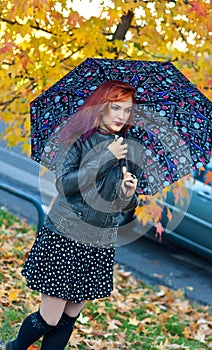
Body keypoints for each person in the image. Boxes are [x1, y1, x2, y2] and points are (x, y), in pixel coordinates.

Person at [6, 80, 141, 350]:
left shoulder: (125, 147)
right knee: (50, 318)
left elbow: (121, 205)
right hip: (66, 236)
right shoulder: (78, 139)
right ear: (101, 106)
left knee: (69, 318)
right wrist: (105, 156)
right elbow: (66, 185)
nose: (121, 116)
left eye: (127, 111)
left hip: (98, 242)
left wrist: (128, 193)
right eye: (115, 108)